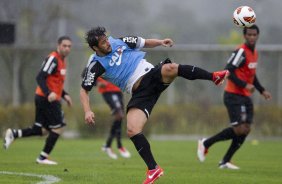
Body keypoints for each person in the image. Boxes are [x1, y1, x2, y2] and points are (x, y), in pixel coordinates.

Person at [80, 26, 229, 184]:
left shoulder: (119, 41)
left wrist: (160, 42)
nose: (107, 43)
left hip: (151, 75)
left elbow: (143, 42)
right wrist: (87, 111)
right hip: (141, 93)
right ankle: (153, 169)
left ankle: (213, 76)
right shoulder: (96, 66)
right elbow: (84, 90)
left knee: (170, 68)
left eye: (106, 39)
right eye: (103, 43)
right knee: (132, 129)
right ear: (95, 47)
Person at [197, 25, 272, 169]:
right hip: (232, 95)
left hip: (245, 96)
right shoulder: (241, 52)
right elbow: (228, 71)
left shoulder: (254, 53)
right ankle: (206, 143)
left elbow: (251, 74)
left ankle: (225, 161)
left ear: (258, 36)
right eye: (249, 34)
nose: (252, 37)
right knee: (239, 129)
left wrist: (261, 90)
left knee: (246, 129)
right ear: (244, 36)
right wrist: (244, 85)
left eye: (254, 35)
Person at [3, 36, 73, 165]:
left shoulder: (63, 61)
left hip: (46, 98)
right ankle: (42, 158)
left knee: (41, 130)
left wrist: (64, 95)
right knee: (58, 127)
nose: (67, 48)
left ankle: (14, 133)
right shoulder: (53, 58)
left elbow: (55, 83)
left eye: (69, 46)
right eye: (64, 45)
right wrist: (48, 93)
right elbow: (40, 77)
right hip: (47, 99)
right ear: (58, 45)